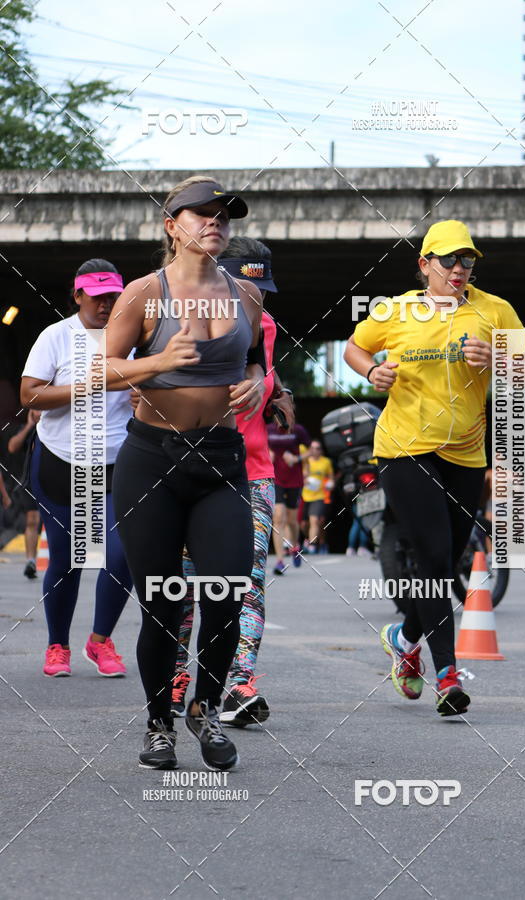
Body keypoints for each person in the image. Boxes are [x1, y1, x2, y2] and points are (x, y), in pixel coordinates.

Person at [106, 175, 266, 771]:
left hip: (221, 460)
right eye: (201, 214)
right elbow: (103, 370)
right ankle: (157, 724)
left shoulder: (246, 296)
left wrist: (255, 383)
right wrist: (159, 361)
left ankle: (205, 708)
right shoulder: (143, 294)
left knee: (226, 594)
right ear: (172, 225)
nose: (216, 223)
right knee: (163, 605)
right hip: (151, 460)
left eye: (224, 215)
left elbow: (255, 361)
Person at [344, 219, 525, 717]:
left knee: (446, 561)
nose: (458, 268)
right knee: (431, 554)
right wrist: (372, 370)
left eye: (466, 259)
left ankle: (404, 636)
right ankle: (448, 675)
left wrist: (497, 358)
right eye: (447, 259)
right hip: (404, 448)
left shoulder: (496, 311)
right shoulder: (397, 310)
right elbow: (354, 346)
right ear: (424, 264)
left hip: (466, 454)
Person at [170, 236, 294, 727]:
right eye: (246, 285)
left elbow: (261, 369)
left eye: (261, 288)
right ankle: (177, 676)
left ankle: (240, 683)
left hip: (254, 470)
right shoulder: (180, 315)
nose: (255, 297)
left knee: (250, 582)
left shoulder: (265, 323)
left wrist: (276, 391)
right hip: (190, 464)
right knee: (182, 584)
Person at [20, 259, 133, 678]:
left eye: (113, 296)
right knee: (66, 560)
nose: (106, 304)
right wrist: (86, 386)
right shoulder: (56, 336)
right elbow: (29, 394)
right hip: (60, 461)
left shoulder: (134, 336)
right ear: (78, 294)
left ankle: (100, 642)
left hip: (118, 462)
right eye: (97, 295)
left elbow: (151, 388)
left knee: (122, 556)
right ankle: (57, 645)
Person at [268, 420, 311, 574]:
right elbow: (259, 447)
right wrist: (268, 454)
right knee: (279, 518)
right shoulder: (269, 429)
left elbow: (311, 450)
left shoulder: (297, 429)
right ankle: (280, 561)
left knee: (292, 521)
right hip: (275, 477)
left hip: (294, 478)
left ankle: (295, 547)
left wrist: (297, 459)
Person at [7, 409, 41, 578]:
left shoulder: (59, 428)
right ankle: (30, 561)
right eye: (36, 410)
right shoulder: (28, 429)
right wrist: (29, 425)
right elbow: (12, 447)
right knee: (32, 520)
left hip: (57, 481)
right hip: (31, 481)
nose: (39, 413)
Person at [301, 440, 334, 553]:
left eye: (318, 448)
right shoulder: (306, 461)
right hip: (305, 496)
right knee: (304, 524)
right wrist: (304, 480)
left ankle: (312, 545)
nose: (315, 450)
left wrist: (330, 483)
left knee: (315, 521)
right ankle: (307, 539)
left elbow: (331, 477)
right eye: (313, 448)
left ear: (321, 450)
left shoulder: (326, 462)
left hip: (319, 496)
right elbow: (298, 476)